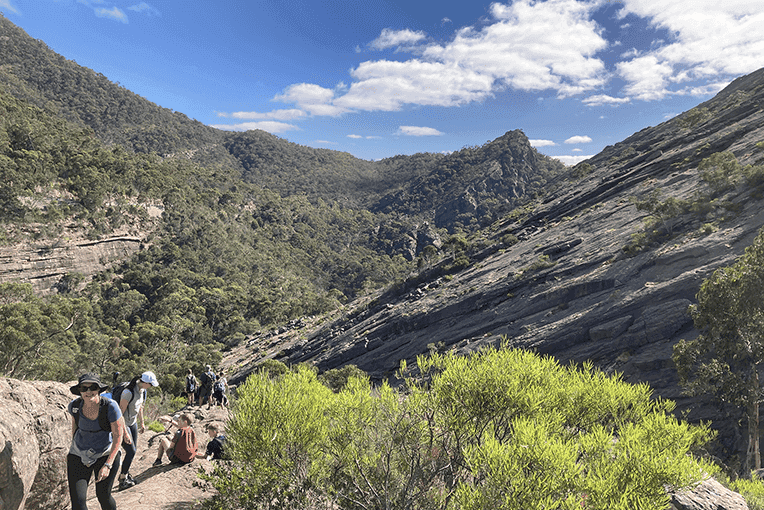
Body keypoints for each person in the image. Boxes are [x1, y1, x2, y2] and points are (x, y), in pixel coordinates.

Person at [67, 373, 125, 510]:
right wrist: (78, 451)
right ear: (79, 390)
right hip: (79, 453)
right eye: (84, 388)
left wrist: (108, 465)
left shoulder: (110, 407)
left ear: (99, 389)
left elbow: (118, 437)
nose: (88, 392)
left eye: (93, 387)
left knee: (103, 495)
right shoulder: (74, 406)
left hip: (105, 453)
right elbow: (74, 430)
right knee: (78, 502)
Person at [116, 371, 159, 490]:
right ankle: (122, 479)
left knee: (133, 451)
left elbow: (140, 407)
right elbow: (120, 414)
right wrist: (124, 432)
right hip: (124, 424)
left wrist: (142, 423)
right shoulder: (127, 393)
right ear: (144, 382)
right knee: (131, 451)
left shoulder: (142, 391)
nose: (151, 387)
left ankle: (126, 473)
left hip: (133, 423)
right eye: (150, 384)